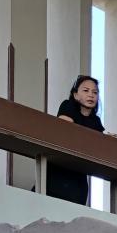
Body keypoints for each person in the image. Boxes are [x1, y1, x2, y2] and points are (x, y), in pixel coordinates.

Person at [47, 75, 107, 206]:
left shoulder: (96, 121)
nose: (91, 95)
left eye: (95, 92)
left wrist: (108, 139)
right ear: (75, 95)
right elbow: (65, 129)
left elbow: (100, 145)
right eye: (86, 90)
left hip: (79, 176)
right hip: (58, 170)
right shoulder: (68, 106)